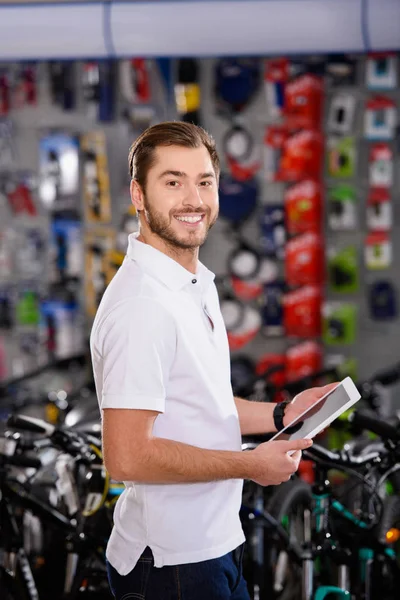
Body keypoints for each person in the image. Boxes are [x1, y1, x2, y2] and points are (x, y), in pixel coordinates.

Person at [90, 121, 336, 600]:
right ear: (138, 196)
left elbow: (200, 400)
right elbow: (127, 456)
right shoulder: (142, 305)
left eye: (204, 181)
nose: (193, 199)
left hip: (213, 546)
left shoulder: (193, 282)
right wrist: (250, 465)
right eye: (173, 181)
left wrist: (282, 415)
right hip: (170, 565)